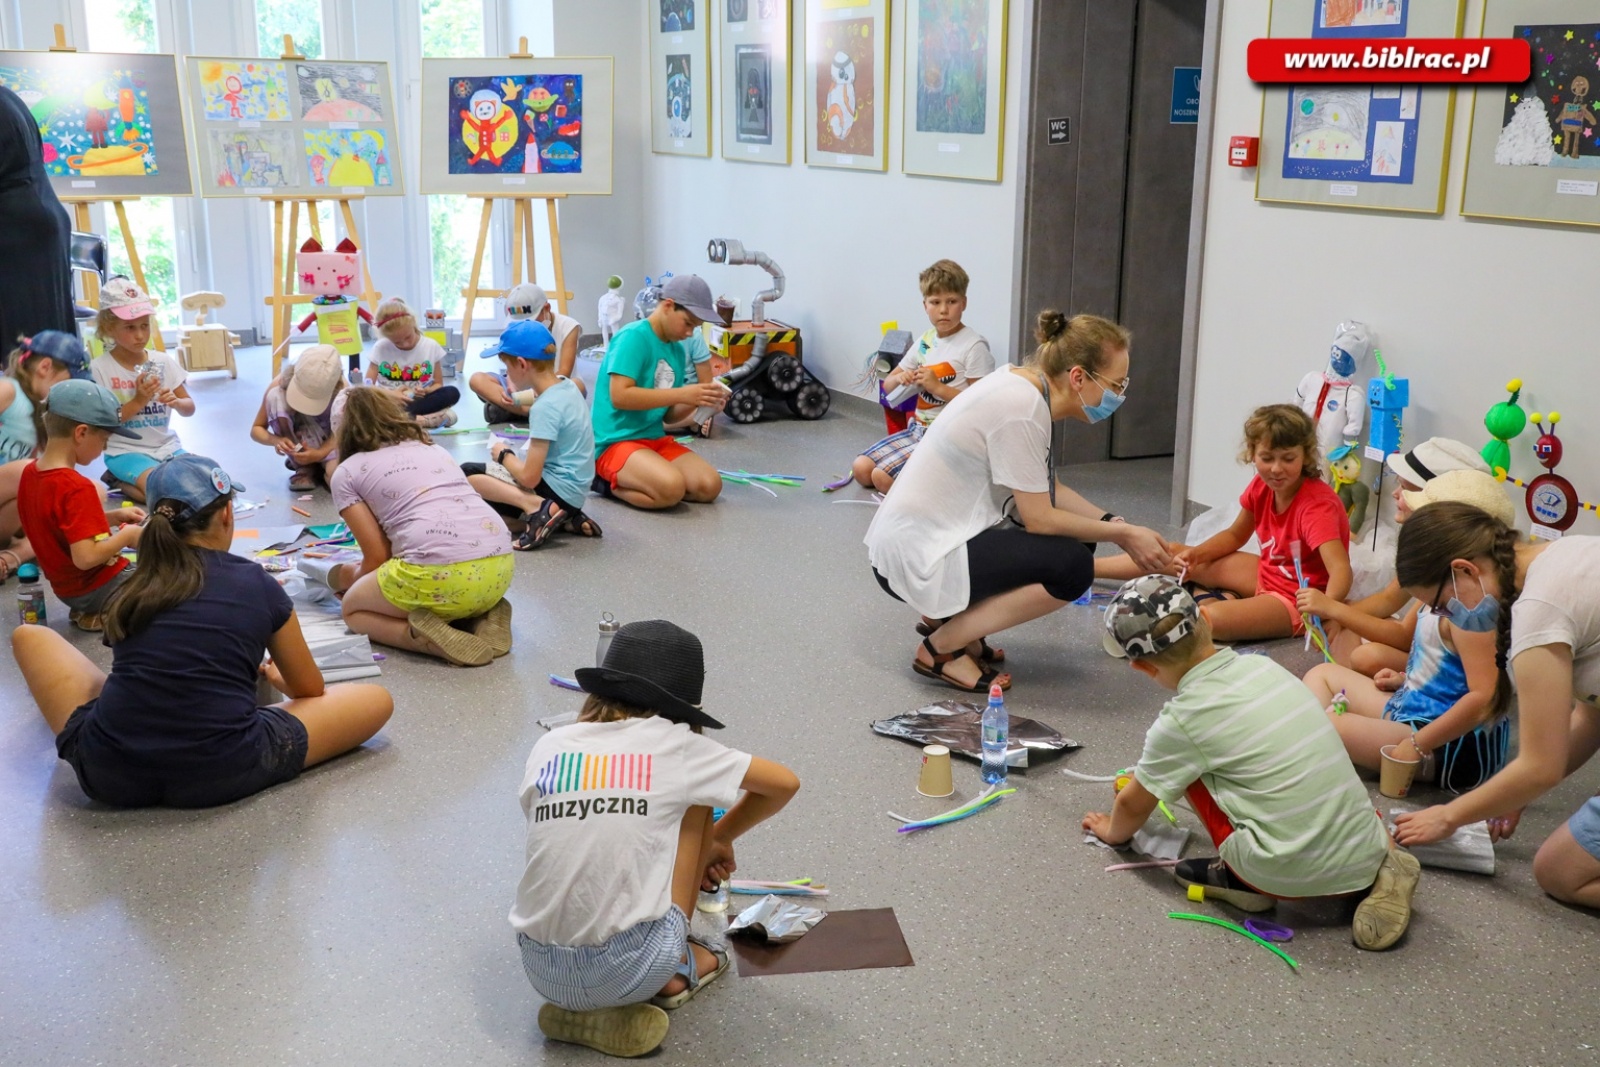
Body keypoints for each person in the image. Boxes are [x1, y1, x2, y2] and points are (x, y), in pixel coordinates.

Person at [10, 454, 393, 808]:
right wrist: (276, 676)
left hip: (110, 774)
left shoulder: (134, 585)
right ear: (228, 514)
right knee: (375, 700)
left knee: (29, 636)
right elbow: (309, 690)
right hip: (223, 770)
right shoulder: (255, 582)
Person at [510, 620, 800, 1058]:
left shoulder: (550, 745)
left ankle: (585, 1008)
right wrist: (719, 839)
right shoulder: (679, 747)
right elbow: (784, 783)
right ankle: (676, 970)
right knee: (698, 798)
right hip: (630, 968)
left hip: (540, 967)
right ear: (683, 709)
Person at [1083, 574, 1420, 951]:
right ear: (1208, 621)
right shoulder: (1268, 668)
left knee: (1187, 769)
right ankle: (1385, 863)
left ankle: (1241, 882)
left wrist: (1113, 830)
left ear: (1142, 668)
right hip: (1367, 845)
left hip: (1285, 873)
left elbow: (1133, 805)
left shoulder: (1182, 721)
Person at [866, 310, 1171, 692]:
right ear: (1078, 377)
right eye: (1116, 384)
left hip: (917, 538)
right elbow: (1041, 518)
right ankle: (941, 649)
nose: (1118, 395)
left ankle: (950, 622)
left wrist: (1118, 524)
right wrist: (1125, 537)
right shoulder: (1022, 410)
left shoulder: (1020, 386)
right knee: (1073, 566)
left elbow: (1048, 487)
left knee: (1080, 540)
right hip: (917, 552)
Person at [1388, 503, 1600, 910]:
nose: (1445, 616)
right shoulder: (1557, 559)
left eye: (1442, 605)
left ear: (1465, 571)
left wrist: (1448, 816)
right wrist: (1514, 793)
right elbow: (1593, 714)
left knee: (1560, 871)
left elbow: (1541, 765)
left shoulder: (1540, 611)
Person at [1303, 470, 1516, 793]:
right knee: (1322, 675)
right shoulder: (1448, 589)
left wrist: (1417, 744)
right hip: (1411, 706)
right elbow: (1442, 664)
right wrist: (1406, 678)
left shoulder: (1470, 611)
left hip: (1444, 744)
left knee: (1327, 723)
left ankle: (1318, 745)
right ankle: (1322, 743)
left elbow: (1484, 697)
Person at [1098, 403, 1351, 643]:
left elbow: (1340, 570)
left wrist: (1328, 609)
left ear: (1305, 456)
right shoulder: (1262, 486)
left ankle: (1148, 629)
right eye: (1267, 458)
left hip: (1297, 599)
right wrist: (1197, 554)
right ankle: (1086, 570)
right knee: (1173, 553)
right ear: (1252, 453)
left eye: (1288, 459)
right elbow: (1234, 536)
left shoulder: (1317, 507)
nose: (1276, 469)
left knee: (1215, 620)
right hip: (1267, 573)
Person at [327, 387, 514, 667]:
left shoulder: (346, 472)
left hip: (438, 575)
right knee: (447, 585)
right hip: (500, 565)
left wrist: (354, 581)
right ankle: (481, 614)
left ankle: (423, 639)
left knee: (353, 610)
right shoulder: (433, 449)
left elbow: (378, 557)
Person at [1305, 437, 1495, 675]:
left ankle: (1344, 686)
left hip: (1453, 667)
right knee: (1349, 615)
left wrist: (1335, 612)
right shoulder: (1428, 545)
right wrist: (1339, 616)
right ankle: (1342, 683)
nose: (1395, 494)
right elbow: (1388, 598)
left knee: (1365, 654)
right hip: (1431, 646)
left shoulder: (1451, 561)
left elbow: (1405, 635)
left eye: (1405, 488)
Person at [852, 259, 994, 493]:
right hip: (917, 429)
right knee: (861, 468)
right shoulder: (926, 341)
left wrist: (937, 387)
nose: (944, 310)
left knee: (882, 477)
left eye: (952, 301)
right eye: (935, 302)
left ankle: (944, 488)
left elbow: (983, 406)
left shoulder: (973, 345)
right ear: (925, 305)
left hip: (950, 436)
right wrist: (901, 377)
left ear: (964, 303)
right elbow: (888, 386)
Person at [15, 380, 145, 631]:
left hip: (69, 590)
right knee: (171, 581)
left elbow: (60, 523)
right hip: (99, 585)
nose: (104, 448)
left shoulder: (32, 474)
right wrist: (127, 535)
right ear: (81, 433)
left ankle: (91, 612)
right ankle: (108, 611)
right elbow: (86, 558)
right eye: (104, 439)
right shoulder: (76, 486)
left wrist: (111, 517)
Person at [589, 275, 726, 510]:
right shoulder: (633, 337)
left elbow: (668, 416)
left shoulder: (674, 350)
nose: (690, 333)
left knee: (709, 485)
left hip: (653, 439)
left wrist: (702, 400)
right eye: (688, 323)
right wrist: (683, 394)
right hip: (615, 442)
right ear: (668, 306)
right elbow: (620, 396)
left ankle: (647, 476)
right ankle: (602, 481)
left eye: (695, 327)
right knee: (671, 489)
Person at [463, 321, 599, 548]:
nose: (506, 375)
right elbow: (541, 396)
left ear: (521, 364)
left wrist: (504, 455)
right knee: (487, 508)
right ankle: (563, 520)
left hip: (555, 493)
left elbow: (529, 477)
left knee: (467, 474)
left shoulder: (543, 409)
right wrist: (516, 398)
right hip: (575, 495)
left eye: (507, 368)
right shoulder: (567, 386)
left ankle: (537, 509)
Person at [90, 276, 193, 503]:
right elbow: (104, 423)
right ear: (109, 328)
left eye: (145, 326)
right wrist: (139, 400)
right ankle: (119, 482)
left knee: (200, 482)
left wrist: (176, 401)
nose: (140, 335)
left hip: (167, 447)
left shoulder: (162, 361)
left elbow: (189, 408)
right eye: (130, 327)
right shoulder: (100, 368)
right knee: (166, 494)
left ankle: (126, 482)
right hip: (125, 451)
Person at [0, 332, 94, 579]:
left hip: (6, 509)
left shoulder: (41, 408)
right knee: (31, 471)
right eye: (67, 382)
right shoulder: (8, 390)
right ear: (45, 367)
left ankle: (12, 557)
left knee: (83, 491)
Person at [0, 84, 75, 350]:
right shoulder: (7, 96)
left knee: (27, 345)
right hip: (37, 216)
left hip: (18, 229)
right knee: (44, 342)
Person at [470, 282, 586, 424]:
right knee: (477, 379)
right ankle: (532, 412)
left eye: (529, 320)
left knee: (577, 386)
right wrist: (512, 385)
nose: (525, 325)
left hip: (553, 386)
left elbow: (564, 372)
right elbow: (512, 365)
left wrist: (534, 392)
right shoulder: (514, 327)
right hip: (523, 385)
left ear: (546, 309)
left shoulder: (568, 326)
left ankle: (510, 410)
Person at [249, 344, 348, 492]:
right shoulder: (280, 383)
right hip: (301, 443)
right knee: (275, 396)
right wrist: (277, 441)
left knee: (338, 480)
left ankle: (321, 464)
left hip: (330, 445)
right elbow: (256, 430)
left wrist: (320, 453)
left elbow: (343, 432)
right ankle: (304, 465)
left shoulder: (343, 391)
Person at [367, 297, 459, 429]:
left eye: (408, 337)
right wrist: (392, 395)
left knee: (452, 392)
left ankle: (398, 419)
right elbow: (367, 386)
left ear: (413, 323)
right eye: (397, 342)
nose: (405, 344)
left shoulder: (430, 346)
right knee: (360, 403)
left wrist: (427, 390)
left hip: (417, 402)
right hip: (389, 402)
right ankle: (423, 420)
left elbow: (438, 384)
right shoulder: (380, 347)